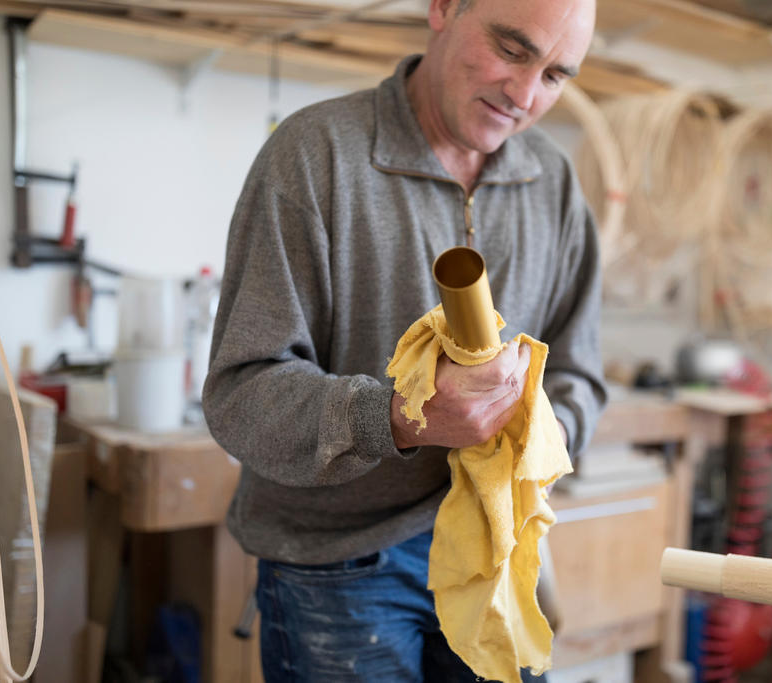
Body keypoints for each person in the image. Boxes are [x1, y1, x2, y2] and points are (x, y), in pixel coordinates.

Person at [203, 0, 607, 679]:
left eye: (556, 75)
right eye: (512, 50)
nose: (525, 95)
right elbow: (241, 394)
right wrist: (399, 415)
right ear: (443, 7)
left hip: (496, 550)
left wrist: (543, 428)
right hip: (339, 564)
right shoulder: (315, 156)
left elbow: (581, 374)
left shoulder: (555, 184)